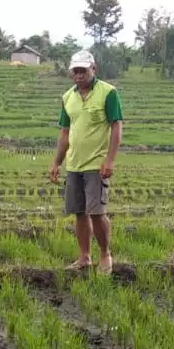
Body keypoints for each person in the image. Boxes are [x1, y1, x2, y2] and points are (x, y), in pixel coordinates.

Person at [48, 49, 124, 274]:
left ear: (94, 69)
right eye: (75, 70)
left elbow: (117, 127)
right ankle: (84, 257)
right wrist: (56, 163)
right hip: (74, 165)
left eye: (83, 70)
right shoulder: (67, 97)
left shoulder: (108, 92)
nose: (79, 74)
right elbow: (64, 133)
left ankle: (105, 255)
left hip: (96, 165)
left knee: (96, 213)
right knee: (79, 213)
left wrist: (110, 160)